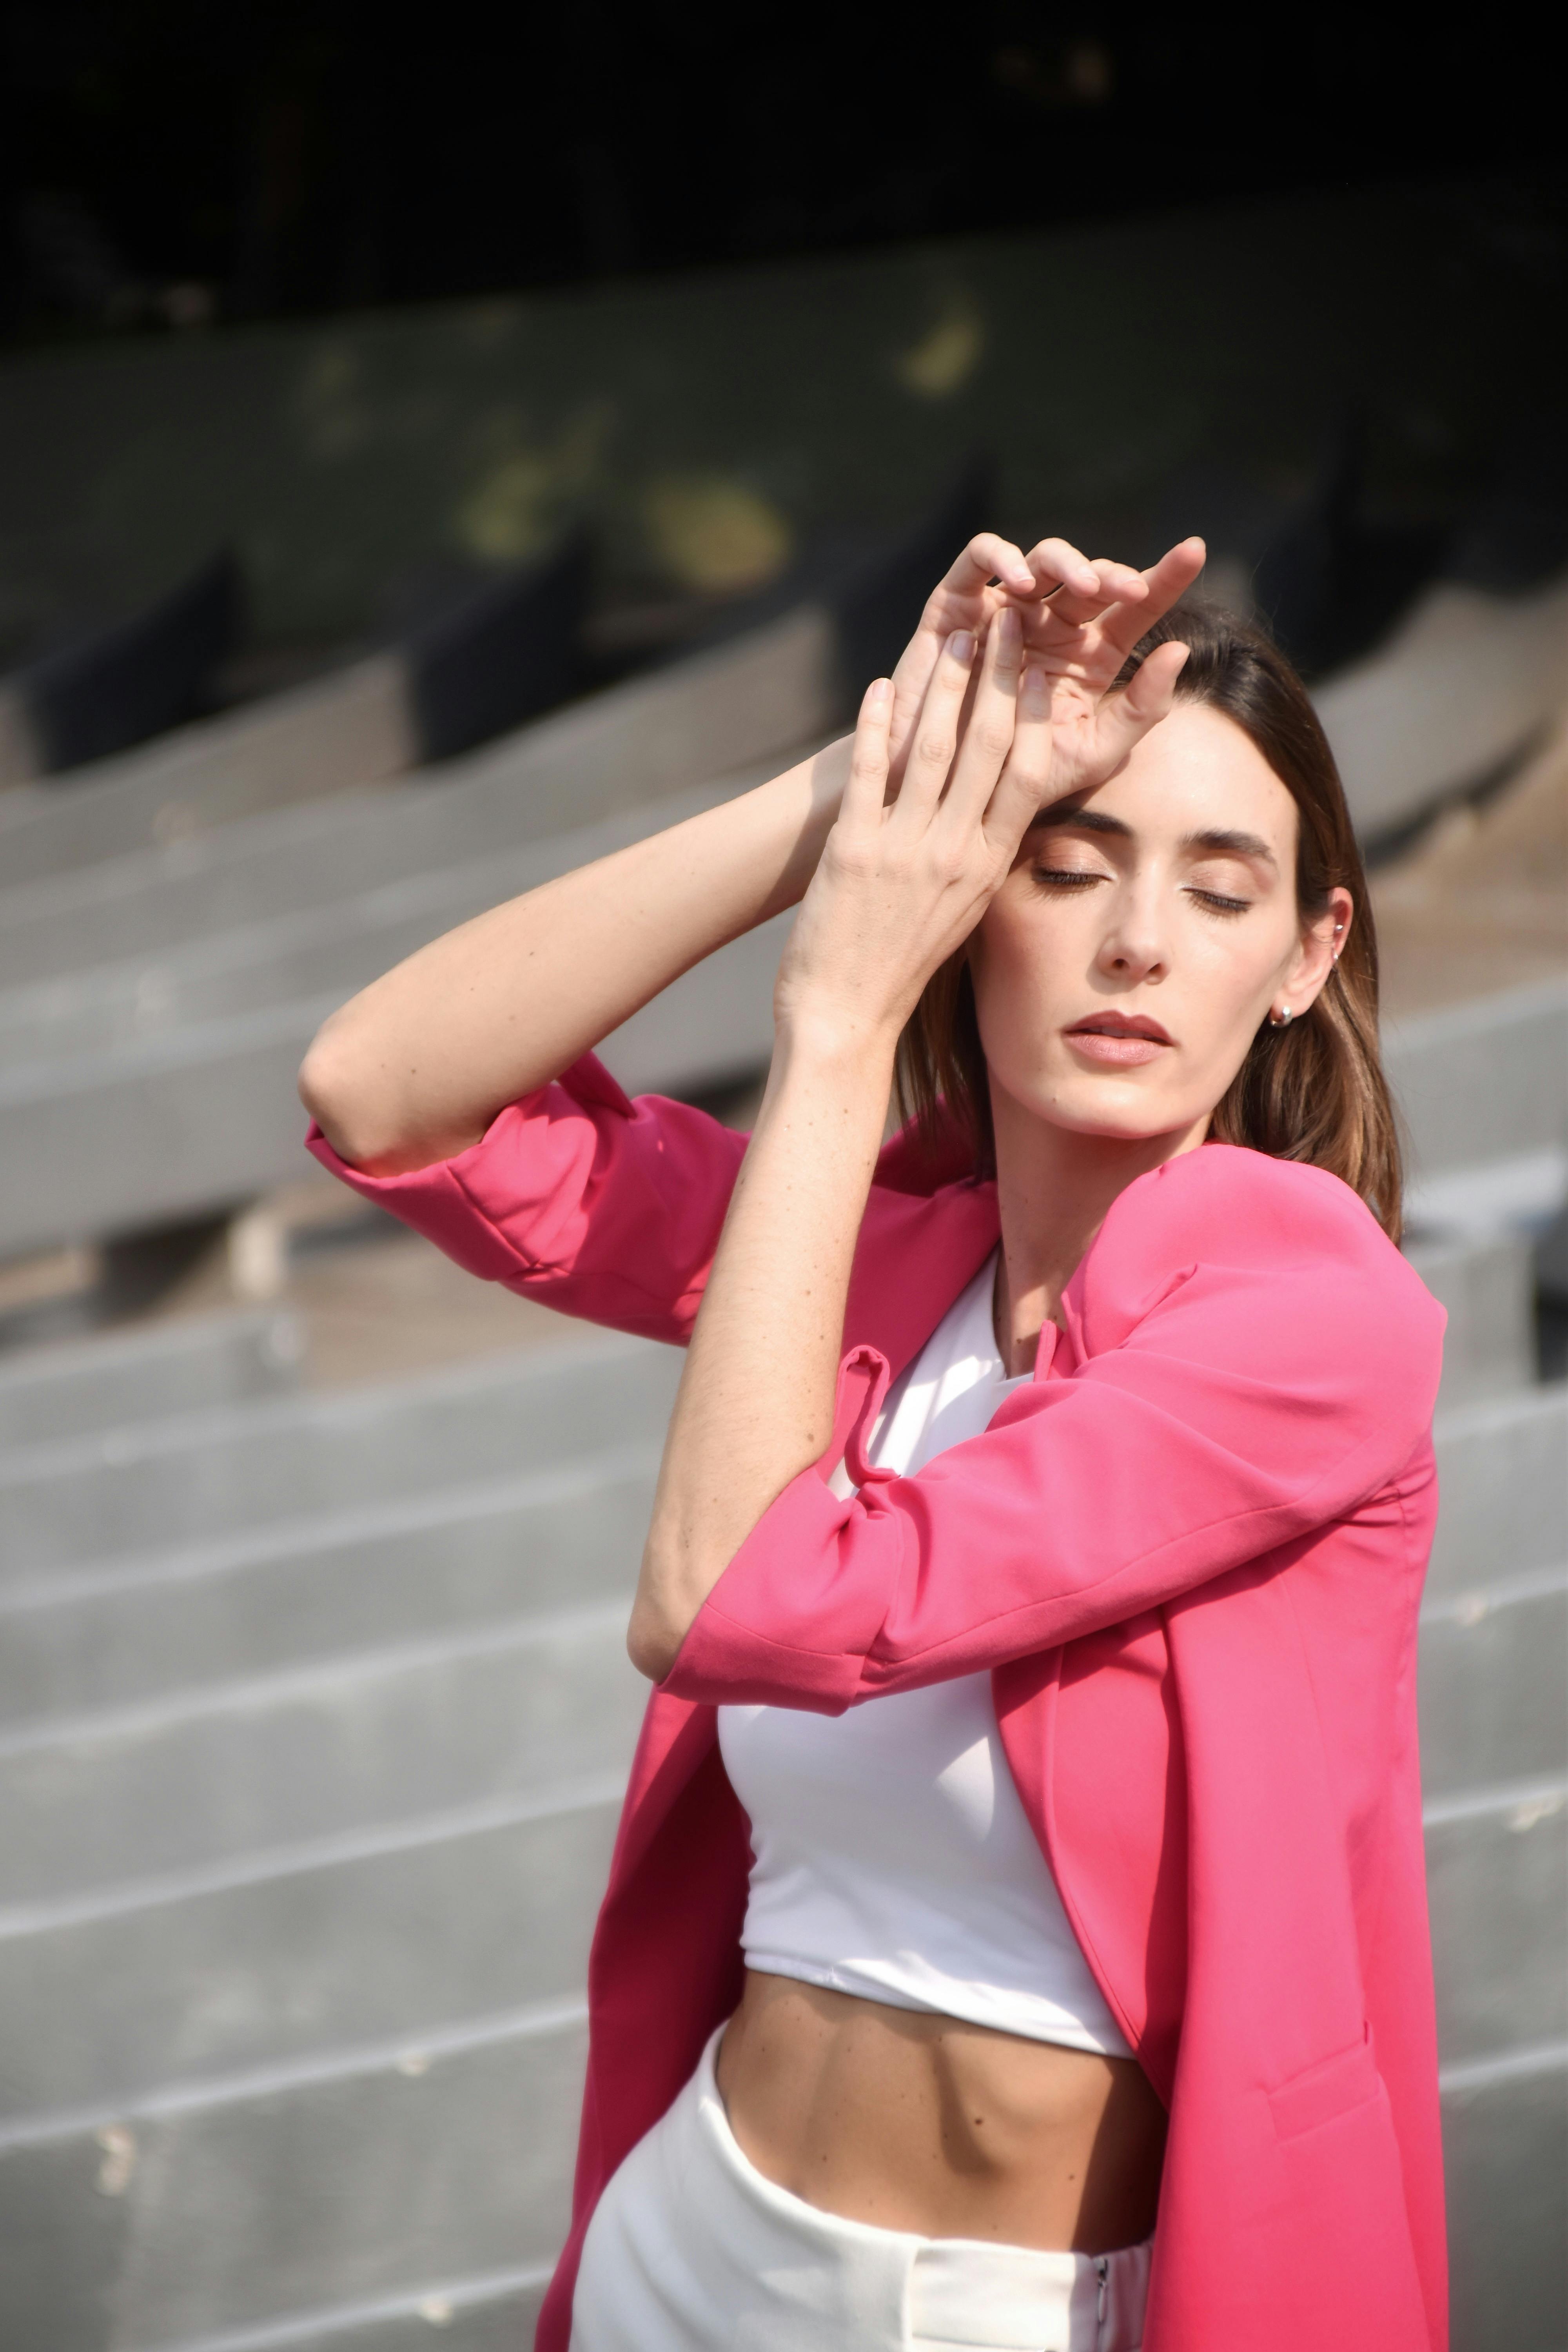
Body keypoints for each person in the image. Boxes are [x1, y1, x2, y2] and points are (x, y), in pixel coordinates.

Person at [299, 532, 1448, 2352]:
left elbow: (735, 1601)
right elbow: (383, 1090)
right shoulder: (880, 1259)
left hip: (1010, 2309)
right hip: (689, 2250)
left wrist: (835, 1019)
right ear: (974, 894)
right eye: (1064, 867)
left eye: (1221, 894)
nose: (1136, 941)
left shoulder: (1314, 1326)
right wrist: (866, 783)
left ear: (1308, 957)